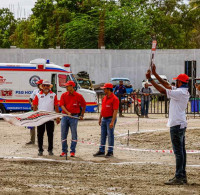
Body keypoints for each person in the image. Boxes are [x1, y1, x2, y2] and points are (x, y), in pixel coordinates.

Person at [146, 64, 190, 185]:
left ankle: (179, 176)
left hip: (176, 124)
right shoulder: (182, 91)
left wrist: (150, 80)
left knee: (178, 152)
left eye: (177, 81)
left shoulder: (180, 92)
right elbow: (165, 85)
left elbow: (162, 90)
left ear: (180, 82)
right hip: (180, 123)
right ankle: (182, 175)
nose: (175, 83)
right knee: (182, 151)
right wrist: (155, 74)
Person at [33, 80, 60, 156]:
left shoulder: (53, 95)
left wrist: (57, 117)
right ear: (42, 86)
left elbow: (56, 106)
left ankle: (50, 150)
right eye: (45, 85)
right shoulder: (38, 95)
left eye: (48, 86)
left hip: (50, 118)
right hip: (41, 118)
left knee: (50, 134)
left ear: (49, 87)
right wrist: (35, 115)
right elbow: (35, 105)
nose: (46, 87)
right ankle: (40, 150)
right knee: (40, 134)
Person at [60, 80, 86, 158]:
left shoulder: (78, 96)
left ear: (72, 86)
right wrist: (67, 112)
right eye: (66, 86)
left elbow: (84, 105)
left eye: (68, 86)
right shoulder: (64, 95)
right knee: (63, 134)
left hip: (74, 117)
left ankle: (72, 151)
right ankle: (64, 151)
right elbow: (62, 105)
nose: (66, 88)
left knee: (74, 134)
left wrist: (82, 115)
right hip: (65, 117)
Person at [93, 83, 119, 158]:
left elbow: (115, 111)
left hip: (110, 119)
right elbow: (103, 109)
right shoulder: (104, 98)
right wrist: (100, 118)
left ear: (108, 89)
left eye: (104, 89)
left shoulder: (115, 99)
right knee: (103, 135)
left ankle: (110, 151)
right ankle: (102, 150)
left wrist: (112, 122)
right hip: (104, 118)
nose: (103, 90)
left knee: (110, 135)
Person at [26, 79, 43, 145]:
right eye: (38, 84)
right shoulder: (35, 91)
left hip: (41, 110)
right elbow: (30, 99)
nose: (38, 85)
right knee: (32, 125)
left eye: (39, 84)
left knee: (40, 126)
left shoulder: (46, 92)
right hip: (35, 110)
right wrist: (31, 104)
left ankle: (40, 140)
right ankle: (32, 140)